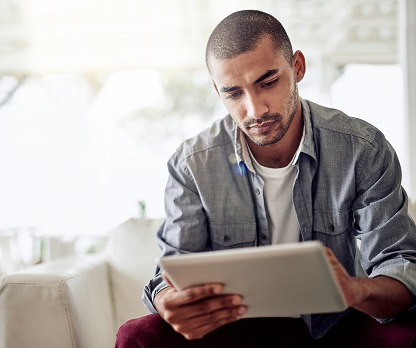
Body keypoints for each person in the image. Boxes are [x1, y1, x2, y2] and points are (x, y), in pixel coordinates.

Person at [115, 9, 416, 347]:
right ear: (217, 91)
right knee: (137, 336)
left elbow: (401, 265)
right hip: (241, 330)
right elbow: (171, 275)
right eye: (233, 93)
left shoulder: (362, 148)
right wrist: (167, 300)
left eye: (267, 82)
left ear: (297, 67)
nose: (255, 110)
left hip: (341, 324)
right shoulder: (192, 165)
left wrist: (353, 289)